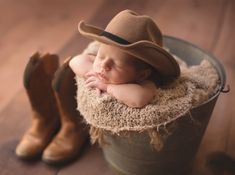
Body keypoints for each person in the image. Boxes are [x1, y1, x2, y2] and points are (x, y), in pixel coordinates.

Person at [69, 9, 180, 108]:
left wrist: (107, 87)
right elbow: (75, 61)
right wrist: (92, 72)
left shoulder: (146, 82)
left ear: (141, 75)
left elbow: (139, 99)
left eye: (117, 64)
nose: (103, 65)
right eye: (101, 56)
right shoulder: (102, 65)